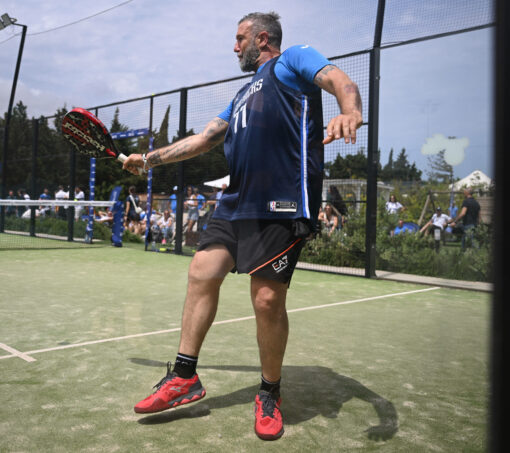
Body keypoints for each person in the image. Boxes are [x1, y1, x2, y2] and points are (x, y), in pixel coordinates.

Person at [122, 11, 362, 441]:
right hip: (236, 202)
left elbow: (341, 80)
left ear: (261, 38)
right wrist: (149, 159)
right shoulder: (241, 93)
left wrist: (350, 110)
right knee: (201, 271)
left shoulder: (294, 60)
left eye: (239, 39)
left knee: (267, 299)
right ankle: (183, 377)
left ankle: (270, 391)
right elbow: (205, 139)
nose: (234, 48)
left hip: (282, 205)